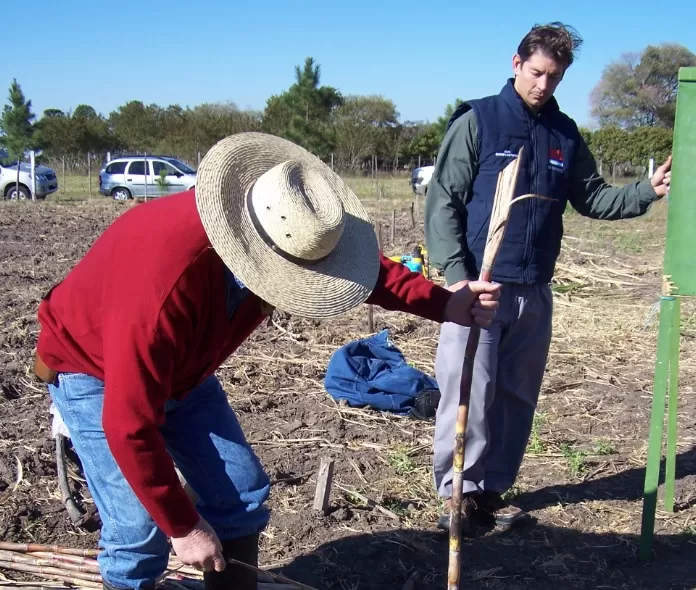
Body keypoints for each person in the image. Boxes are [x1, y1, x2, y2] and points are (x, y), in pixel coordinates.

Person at [33, 132, 501, 590]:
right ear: (257, 256)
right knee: (141, 531)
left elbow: (369, 272)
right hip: (93, 371)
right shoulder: (162, 290)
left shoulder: (285, 225)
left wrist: (445, 305)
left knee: (239, 493)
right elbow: (127, 425)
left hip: (183, 372)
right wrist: (184, 527)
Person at [424, 22, 672, 534]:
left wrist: (646, 190)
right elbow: (443, 200)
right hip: (479, 286)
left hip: (535, 289)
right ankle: (459, 498)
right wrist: (456, 278)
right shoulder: (478, 121)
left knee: (516, 394)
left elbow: (594, 197)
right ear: (516, 64)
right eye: (537, 73)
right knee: (469, 388)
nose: (544, 85)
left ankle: (491, 492)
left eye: (554, 77)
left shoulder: (564, 133)